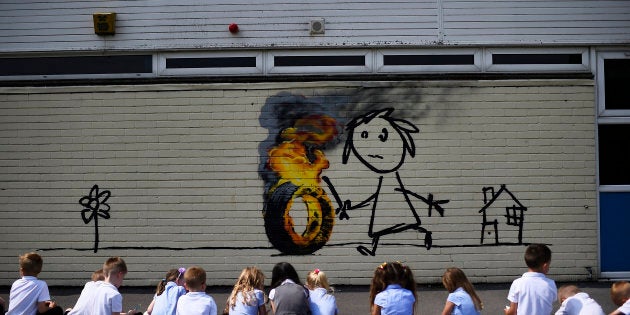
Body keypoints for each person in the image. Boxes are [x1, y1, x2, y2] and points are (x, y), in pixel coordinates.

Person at [504, 243, 557, 315]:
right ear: (545, 265)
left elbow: (512, 312)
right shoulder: (551, 284)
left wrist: (507, 312)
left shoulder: (517, 283)